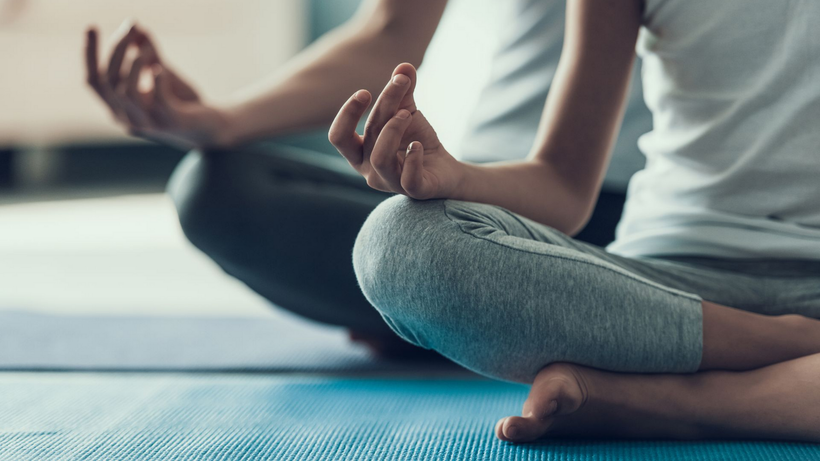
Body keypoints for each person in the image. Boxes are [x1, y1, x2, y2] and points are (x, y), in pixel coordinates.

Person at [331, 0, 820, 443]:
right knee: (399, 242)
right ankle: (796, 349)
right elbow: (562, 186)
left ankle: (655, 402)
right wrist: (453, 176)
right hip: (662, 290)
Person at [83, 0, 650, 356]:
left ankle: (450, 324)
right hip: (471, 184)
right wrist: (220, 121)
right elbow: (390, 30)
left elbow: (563, 186)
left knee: (415, 250)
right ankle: (459, 323)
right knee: (214, 188)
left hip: (612, 211)